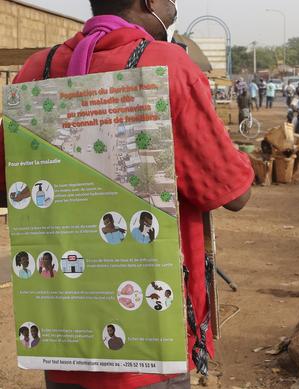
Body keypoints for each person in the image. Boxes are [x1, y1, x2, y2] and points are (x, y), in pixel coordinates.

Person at [2, 1, 254, 386]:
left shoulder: (39, 69)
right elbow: (232, 191)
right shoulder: (168, 65)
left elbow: (11, 181)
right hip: (150, 339)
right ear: (149, 2)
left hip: (64, 333)